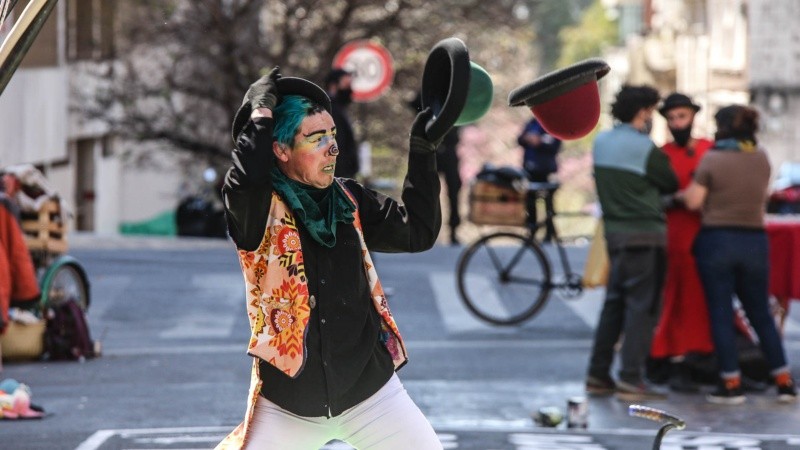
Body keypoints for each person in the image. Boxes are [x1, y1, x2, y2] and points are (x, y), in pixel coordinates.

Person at [218, 67, 445, 449]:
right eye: (316, 138)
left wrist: (423, 149)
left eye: (333, 135)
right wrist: (259, 116)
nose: (333, 149)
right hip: (288, 405)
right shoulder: (257, 211)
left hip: (371, 396)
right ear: (280, 149)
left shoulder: (350, 199)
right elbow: (245, 180)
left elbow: (417, 232)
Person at [681, 105, 797, 405]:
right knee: (760, 313)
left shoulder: (712, 158)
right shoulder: (761, 157)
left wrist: (675, 196)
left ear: (722, 128)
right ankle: (783, 381)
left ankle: (730, 383)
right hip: (755, 241)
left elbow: (693, 201)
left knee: (721, 312)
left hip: (718, 240)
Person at [585, 85, 678, 401]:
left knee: (614, 304)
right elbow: (669, 181)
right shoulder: (645, 148)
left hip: (615, 234)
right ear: (642, 112)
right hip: (645, 235)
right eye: (651, 112)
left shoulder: (601, 142)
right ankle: (631, 378)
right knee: (642, 307)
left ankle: (597, 374)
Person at [649, 93, 715, 392]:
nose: (677, 123)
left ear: (693, 117)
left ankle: (702, 354)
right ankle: (675, 355)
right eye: (672, 118)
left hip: (706, 234)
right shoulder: (660, 155)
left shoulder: (708, 150)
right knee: (675, 299)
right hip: (673, 236)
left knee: (703, 299)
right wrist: (676, 199)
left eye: (682, 116)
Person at [518, 118, 561, 242]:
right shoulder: (531, 123)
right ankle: (531, 231)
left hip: (546, 171)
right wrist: (527, 139)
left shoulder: (552, 124)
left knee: (548, 203)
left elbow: (555, 145)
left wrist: (540, 141)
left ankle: (549, 232)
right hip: (529, 170)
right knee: (530, 203)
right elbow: (519, 139)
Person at [325, 68, 359, 179]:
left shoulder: (339, 109)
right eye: (346, 84)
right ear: (333, 85)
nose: (349, 89)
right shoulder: (330, 110)